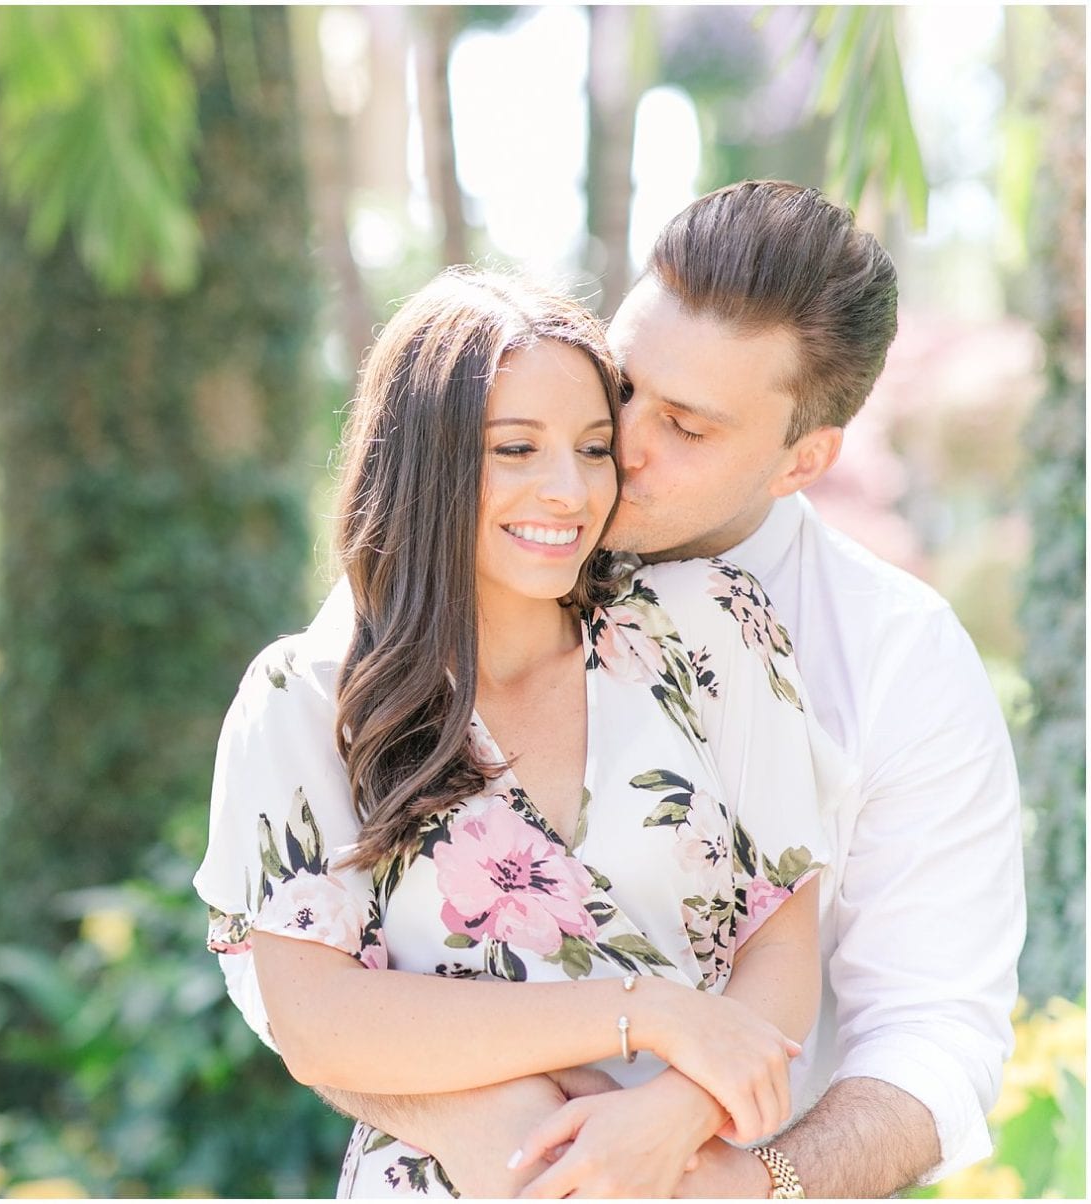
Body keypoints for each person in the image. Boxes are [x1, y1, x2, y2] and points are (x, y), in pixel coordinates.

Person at [221, 181, 1026, 1198]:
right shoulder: (394, 620)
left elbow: (932, 1030)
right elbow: (295, 954)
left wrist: (730, 1174)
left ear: (803, 461)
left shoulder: (888, 657)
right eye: (624, 384)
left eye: (686, 427)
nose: (615, 447)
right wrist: (486, 1118)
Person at [194, 266, 834, 1198]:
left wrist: (672, 1117)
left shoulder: (709, 629)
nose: (567, 492)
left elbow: (782, 935)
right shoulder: (310, 699)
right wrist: (645, 1014)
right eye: (515, 448)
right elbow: (318, 1022)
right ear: (426, 460)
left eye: (591, 448)